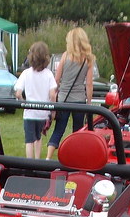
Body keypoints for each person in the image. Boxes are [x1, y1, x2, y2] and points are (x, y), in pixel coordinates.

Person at [46, 27, 94, 160]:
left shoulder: (65, 56)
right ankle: (75, 157)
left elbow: (57, 79)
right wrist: (89, 103)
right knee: (77, 130)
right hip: (79, 100)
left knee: (59, 129)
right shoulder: (88, 59)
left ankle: (48, 158)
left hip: (63, 100)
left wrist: (54, 97)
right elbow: (89, 84)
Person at [14, 42, 57, 159]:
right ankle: (38, 161)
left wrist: (24, 102)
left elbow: (18, 93)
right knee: (38, 138)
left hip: (29, 113)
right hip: (43, 113)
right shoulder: (49, 74)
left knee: (29, 140)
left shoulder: (26, 73)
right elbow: (53, 95)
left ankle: (29, 162)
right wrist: (52, 111)